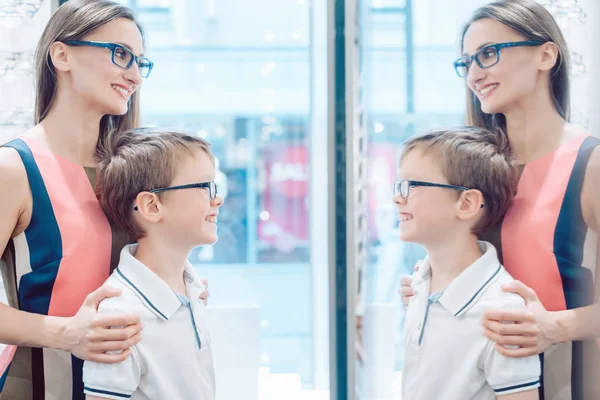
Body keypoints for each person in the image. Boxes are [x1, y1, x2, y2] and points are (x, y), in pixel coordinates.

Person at [0, 1, 208, 399]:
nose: (134, 74)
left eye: (140, 62)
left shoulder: (129, 171)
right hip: (40, 387)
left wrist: (182, 286)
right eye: (120, 54)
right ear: (62, 55)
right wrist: (66, 333)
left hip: (133, 384)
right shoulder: (13, 169)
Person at [399, 1, 600, 398]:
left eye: (488, 54)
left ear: (546, 54)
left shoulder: (589, 165)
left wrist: (557, 326)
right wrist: (430, 286)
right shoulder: (471, 169)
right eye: (466, 62)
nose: (474, 74)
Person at [397, 126, 540, 400]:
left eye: (411, 186)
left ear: (466, 204)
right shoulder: (418, 285)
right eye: (398, 185)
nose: (397, 197)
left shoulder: (502, 313)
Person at [83, 128, 223, 400]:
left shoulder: (192, 289)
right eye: (205, 187)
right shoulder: (121, 317)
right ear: (151, 206)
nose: (217, 199)